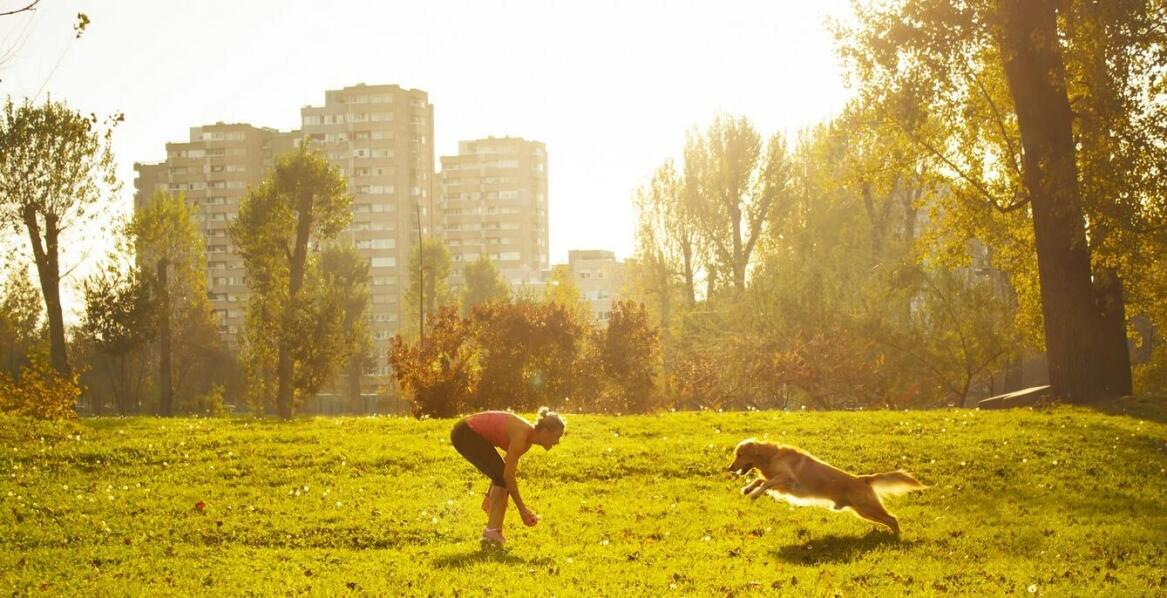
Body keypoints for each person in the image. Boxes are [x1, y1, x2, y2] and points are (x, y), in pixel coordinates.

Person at [450, 407, 565, 545]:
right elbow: (507, 476)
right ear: (545, 432)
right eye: (556, 436)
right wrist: (522, 510)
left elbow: (503, 469)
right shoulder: (522, 437)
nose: (557, 442)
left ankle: (493, 532)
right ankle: (492, 533)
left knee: (501, 479)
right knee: (503, 481)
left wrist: (489, 495)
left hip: (465, 431)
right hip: (466, 431)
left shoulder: (526, 440)